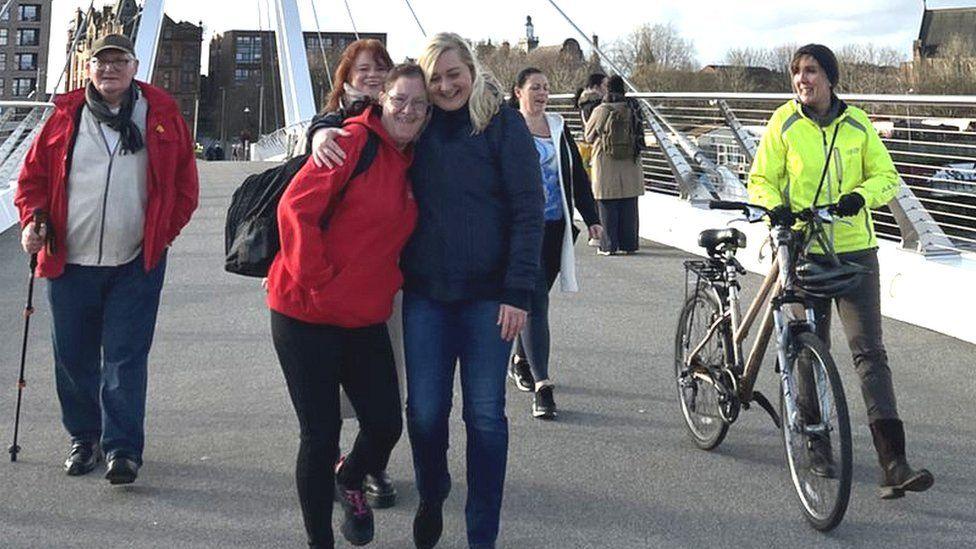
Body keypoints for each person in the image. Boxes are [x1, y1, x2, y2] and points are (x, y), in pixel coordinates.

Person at [309, 32, 543, 549]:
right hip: (427, 296)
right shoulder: (421, 124)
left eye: (453, 73)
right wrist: (321, 130)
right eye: (435, 78)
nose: (444, 85)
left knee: (485, 415)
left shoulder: (502, 124)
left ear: (472, 70)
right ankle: (434, 494)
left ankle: (482, 531)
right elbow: (365, 112)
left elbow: (529, 210)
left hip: (490, 299)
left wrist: (519, 291)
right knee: (425, 412)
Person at [748, 43, 933, 499]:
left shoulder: (857, 124)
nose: (802, 80)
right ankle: (817, 442)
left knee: (870, 352)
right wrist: (777, 211)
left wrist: (860, 197)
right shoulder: (784, 123)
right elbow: (761, 179)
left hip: (855, 253)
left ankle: (894, 461)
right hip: (804, 250)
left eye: (811, 71)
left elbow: (887, 176)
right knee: (809, 347)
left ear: (831, 78)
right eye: (797, 72)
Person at [15, 34, 199, 485]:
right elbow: (32, 179)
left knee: (125, 358)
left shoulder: (161, 114)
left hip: (136, 262)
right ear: (89, 68)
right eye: (102, 61)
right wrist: (29, 221)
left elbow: (184, 187)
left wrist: (161, 235)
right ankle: (84, 438)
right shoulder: (64, 118)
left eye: (120, 61)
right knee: (73, 358)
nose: (110, 68)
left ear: (135, 67)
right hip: (69, 260)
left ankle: (123, 450)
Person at [267, 64, 428, 548]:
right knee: (320, 434)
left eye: (419, 105)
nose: (408, 110)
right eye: (400, 99)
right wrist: (319, 281)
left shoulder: (414, 158)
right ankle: (321, 541)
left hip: (363, 315)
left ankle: (351, 479)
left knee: (384, 422)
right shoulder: (350, 142)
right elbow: (294, 209)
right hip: (304, 309)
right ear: (381, 100)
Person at [305, 37, 402, 510]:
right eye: (362, 68)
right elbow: (299, 201)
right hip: (334, 281)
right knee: (336, 388)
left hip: (386, 276)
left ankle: (369, 463)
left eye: (380, 67)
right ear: (344, 78)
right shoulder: (336, 127)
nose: (371, 75)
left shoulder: (403, 121)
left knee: (383, 381)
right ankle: (349, 463)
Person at [505, 67, 602, 419]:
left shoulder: (559, 129)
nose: (542, 93)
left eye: (546, 88)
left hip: (554, 228)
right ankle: (543, 386)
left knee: (534, 299)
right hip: (519, 232)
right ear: (518, 92)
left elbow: (575, 174)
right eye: (535, 87)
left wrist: (591, 218)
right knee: (535, 304)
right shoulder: (507, 128)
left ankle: (519, 359)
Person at [584, 75, 644, 256]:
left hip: (606, 160)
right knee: (629, 204)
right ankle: (629, 244)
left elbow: (588, 136)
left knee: (607, 204)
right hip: (630, 162)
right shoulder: (633, 107)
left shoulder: (602, 109)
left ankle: (608, 245)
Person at [573, 73, 607, 246]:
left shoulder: (585, 102)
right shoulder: (594, 104)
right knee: (594, 189)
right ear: (597, 86)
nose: (607, 89)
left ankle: (595, 230)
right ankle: (596, 230)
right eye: (605, 85)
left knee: (591, 188)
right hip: (594, 150)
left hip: (587, 149)